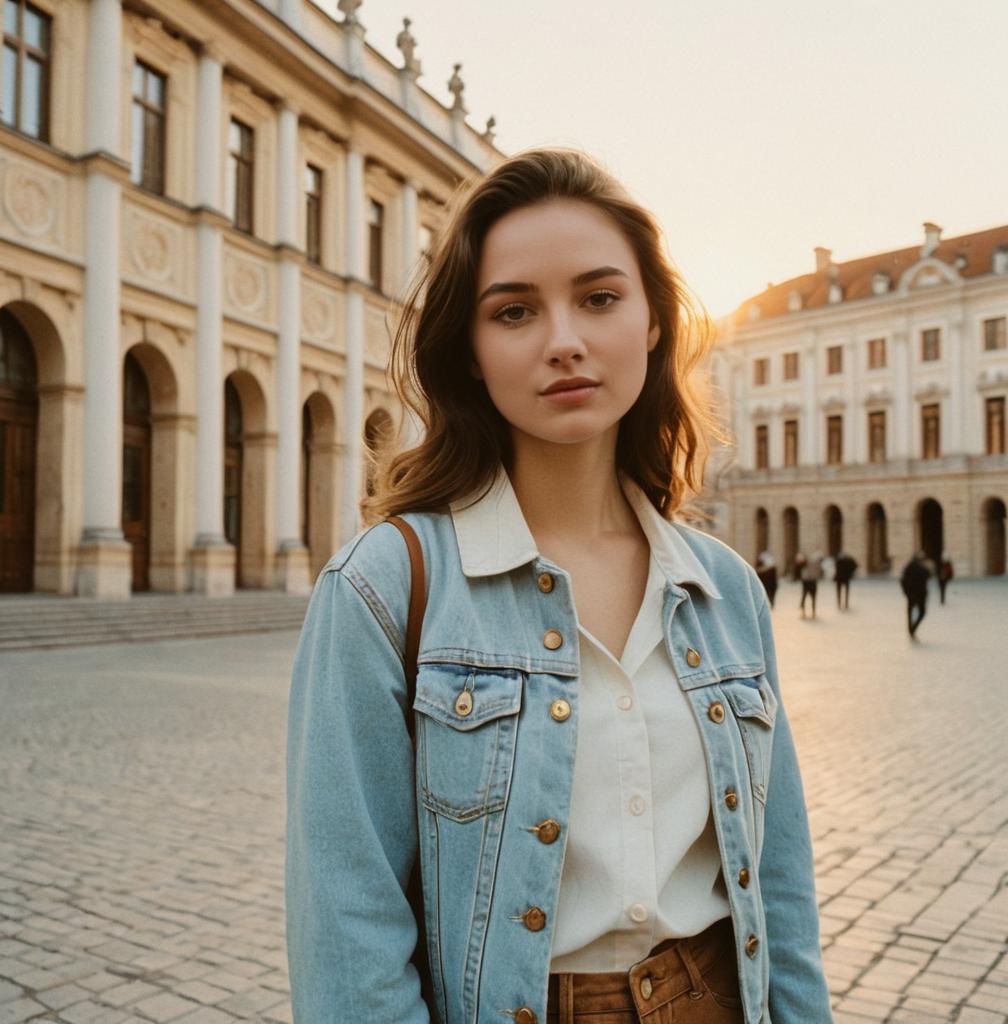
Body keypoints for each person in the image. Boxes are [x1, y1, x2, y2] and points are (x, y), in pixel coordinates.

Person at [285, 149, 832, 1024]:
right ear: (468, 349)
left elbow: (781, 887)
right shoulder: (384, 586)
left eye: (600, 297)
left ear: (654, 323)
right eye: (514, 311)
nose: (564, 340)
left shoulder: (724, 587)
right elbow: (347, 927)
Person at [901, 552, 930, 638]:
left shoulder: (908, 568)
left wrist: (906, 592)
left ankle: (910, 629)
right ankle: (913, 629)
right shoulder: (922, 568)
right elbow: (929, 574)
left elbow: (902, 581)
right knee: (922, 612)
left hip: (910, 595)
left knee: (909, 612)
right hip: (920, 595)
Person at [800, 552, 823, 619]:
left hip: (807, 582)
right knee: (812, 598)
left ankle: (804, 613)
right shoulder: (814, 565)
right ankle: (813, 613)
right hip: (812, 581)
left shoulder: (805, 565)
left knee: (805, 597)